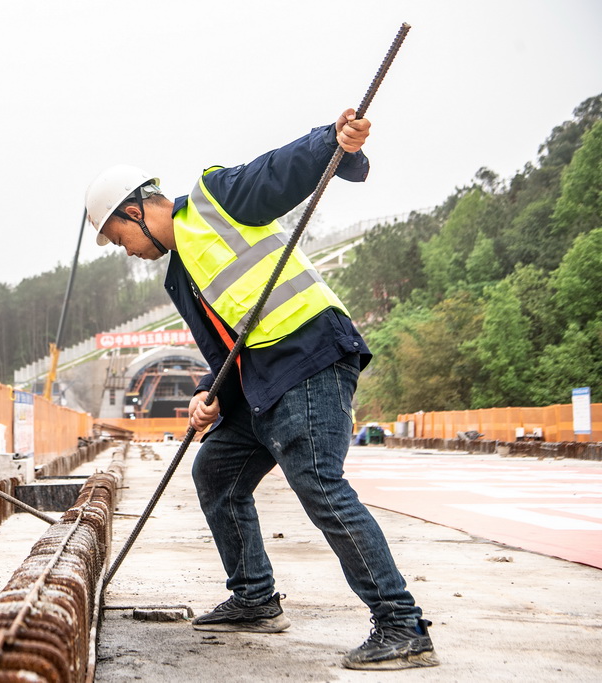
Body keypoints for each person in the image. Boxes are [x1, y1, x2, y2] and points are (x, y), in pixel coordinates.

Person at [84, 110, 438, 670]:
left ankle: (401, 624)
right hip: (262, 377)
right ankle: (255, 597)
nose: (125, 250)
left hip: (308, 354)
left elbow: (280, 172)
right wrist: (209, 392)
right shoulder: (181, 274)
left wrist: (333, 142)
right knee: (216, 472)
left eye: (118, 236)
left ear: (135, 210)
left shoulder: (211, 199)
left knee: (319, 481)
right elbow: (223, 349)